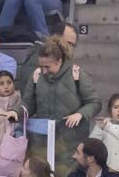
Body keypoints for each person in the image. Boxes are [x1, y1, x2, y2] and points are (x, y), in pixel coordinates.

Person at [22, 37, 102, 177]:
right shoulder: (36, 76)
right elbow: (27, 103)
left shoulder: (77, 74)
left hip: (70, 143)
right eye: (41, 66)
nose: (44, 71)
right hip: (42, 141)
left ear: (59, 61)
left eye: (47, 66)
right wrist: (15, 112)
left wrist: (80, 114)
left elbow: (94, 102)